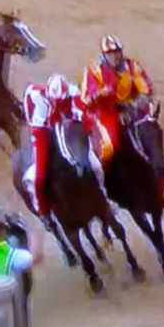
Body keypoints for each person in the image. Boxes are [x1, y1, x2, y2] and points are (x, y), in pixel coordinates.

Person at [81, 35, 154, 173]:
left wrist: (131, 108)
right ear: (104, 55)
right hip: (104, 114)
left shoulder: (133, 67)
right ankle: (101, 180)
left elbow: (146, 92)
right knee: (109, 147)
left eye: (117, 52)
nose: (114, 56)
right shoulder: (94, 71)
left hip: (131, 111)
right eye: (110, 53)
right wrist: (101, 93)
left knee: (152, 141)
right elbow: (87, 99)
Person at [22, 74, 85, 220]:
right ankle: (43, 210)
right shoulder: (35, 93)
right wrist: (32, 123)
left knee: (89, 159)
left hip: (62, 126)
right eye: (55, 99)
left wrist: (76, 118)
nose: (58, 101)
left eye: (61, 99)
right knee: (41, 176)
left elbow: (81, 110)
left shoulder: (72, 92)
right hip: (42, 131)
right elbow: (27, 108)